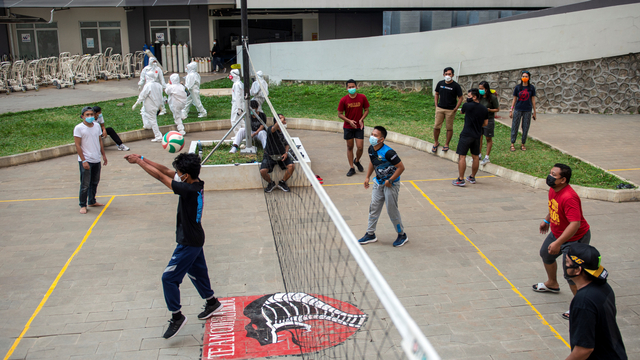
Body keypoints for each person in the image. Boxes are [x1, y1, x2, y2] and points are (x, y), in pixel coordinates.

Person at [123, 152, 223, 339]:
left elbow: (161, 176)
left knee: (168, 278)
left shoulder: (188, 190)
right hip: (195, 238)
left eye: (179, 172)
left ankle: (177, 316)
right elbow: (166, 171)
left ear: (185, 175)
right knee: (197, 272)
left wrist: (137, 163)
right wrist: (143, 158)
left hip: (188, 243)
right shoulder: (196, 183)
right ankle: (212, 303)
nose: (175, 174)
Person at [534, 163, 591, 320]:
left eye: (554, 175)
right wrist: (546, 220)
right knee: (546, 254)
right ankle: (552, 283)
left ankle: (579, 307)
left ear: (563, 180)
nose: (550, 176)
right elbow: (554, 207)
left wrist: (558, 243)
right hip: (558, 232)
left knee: (571, 273)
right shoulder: (554, 189)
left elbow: (575, 224)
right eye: (550, 173)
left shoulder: (570, 197)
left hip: (575, 238)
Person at [564, 243, 627, 359]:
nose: (565, 265)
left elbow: (584, 350)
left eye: (567, 263)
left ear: (578, 270)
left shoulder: (583, 302)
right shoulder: (603, 286)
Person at [358, 126, 408, 247]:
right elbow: (372, 162)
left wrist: (390, 180)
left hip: (391, 184)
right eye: (372, 134)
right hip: (378, 182)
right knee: (374, 207)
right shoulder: (371, 149)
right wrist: (367, 177)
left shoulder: (389, 152)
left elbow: (401, 167)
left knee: (391, 210)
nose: (372, 137)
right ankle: (370, 234)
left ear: (382, 139)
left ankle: (402, 235)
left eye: (375, 135)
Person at [74, 106, 107, 214]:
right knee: (85, 184)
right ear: (82, 116)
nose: (90, 117)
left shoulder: (97, 126)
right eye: (87, 115)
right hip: (86, 160)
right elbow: (78, 145)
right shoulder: (79, 128)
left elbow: (99, 141)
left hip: (96, 159)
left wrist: (103, 155)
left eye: (91, 115)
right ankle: (82, 204)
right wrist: (83, 161)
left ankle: (92, 201)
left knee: (94, 182)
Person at [452, 89, 488, 187]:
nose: (467, 98)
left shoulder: (467, 106)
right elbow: (485, 123)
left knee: (462, 156)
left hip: (466, 134)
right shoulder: (484, 109)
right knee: (475, 156)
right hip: (477, 135)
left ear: (474, 97)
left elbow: (462, 112)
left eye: (469, 96)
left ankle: (460, 179)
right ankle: (472, 176)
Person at [338, 79, 370, 177]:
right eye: (349, 87)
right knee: (350, 147)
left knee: (360, 147)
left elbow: (366, 110)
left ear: (357, 87)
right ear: (347, 88)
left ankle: (357, 160)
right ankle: (352, 167)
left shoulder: (362, 97)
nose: (351, 88)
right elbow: (340, 114)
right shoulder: (343, 100)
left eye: (353, 87)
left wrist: (361, 119)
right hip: (348, 127)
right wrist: (349, 121)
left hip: (359, 126)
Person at [260, 114, 294, 193]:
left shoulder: (284, 132)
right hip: (269, 156)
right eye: (283, 120)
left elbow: (286, 144)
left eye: (284, 119)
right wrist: (280, 121)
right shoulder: (270, 130)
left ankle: (282, 182)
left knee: (291, 166)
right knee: (263, 171)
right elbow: (274, 128)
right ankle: (270, 183)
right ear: (277, 122)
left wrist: (286, 153)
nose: (284, 121)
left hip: (281, 155)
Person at [433, 67, 463, 153]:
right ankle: (436, 142)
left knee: (449, 127)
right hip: (440, 108)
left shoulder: (456, 86)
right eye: (446, 74)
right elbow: (436, 94)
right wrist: (436, 104)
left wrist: (456, 107)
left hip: (450, 110)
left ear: (453, 75)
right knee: (436, 126)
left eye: (449, 74)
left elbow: (460, 97)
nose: (447, 76)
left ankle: (446, 144)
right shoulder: (440, 83)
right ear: (443, 75)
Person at [132, 70, 164, 142]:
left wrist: (136, 103)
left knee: (153, 120)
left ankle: (158, 136)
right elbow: (160, 96)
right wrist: (160, 106)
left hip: (150, 106)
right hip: (155, 105)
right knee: (145, 114)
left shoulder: (148, 85)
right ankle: (147, 126)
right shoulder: (158, 85)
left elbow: (143, 95)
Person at [509, 70, 537, 151]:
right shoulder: (518, 87)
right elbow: (514, 99)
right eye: (523, 76)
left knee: (525, 127)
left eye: (526, 76)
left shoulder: (531, 88)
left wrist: (534, 112)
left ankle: (523, 143)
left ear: (529, 77)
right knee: (515, 126)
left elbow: (533, 100)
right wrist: (511, 110)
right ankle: (512, 143)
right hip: (518, 109)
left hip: (527, 110)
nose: (524, 78)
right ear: (521, 77)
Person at [477, 81, 499, 166]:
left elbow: (497, 109)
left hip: (489, 119)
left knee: (488, 138)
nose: (480, 90)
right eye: (479, 88)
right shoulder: (479, 97)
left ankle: (487, 157)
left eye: (482, 89)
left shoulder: (492, 98)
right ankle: (479, 154)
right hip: (479, 119)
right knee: (479, 137)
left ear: (486, 89)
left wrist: (489, 110)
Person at [229, 69, 245, 135]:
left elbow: (238, 96)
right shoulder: (240, 83)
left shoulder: (236, 85)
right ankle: (246, 133)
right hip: (240, 104)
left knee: (234, 120)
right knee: (241, 120)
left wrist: (239, 108)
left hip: (237, 104)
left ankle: (238, 135)